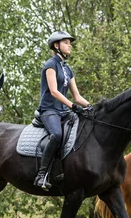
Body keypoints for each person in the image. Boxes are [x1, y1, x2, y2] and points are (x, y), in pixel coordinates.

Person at [34, 31, 93, 190]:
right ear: (56, 45)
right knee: (57, 135)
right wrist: (72, 107)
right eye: (66, 42)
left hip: (63, 111)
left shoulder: (68, 69)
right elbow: (54, 91)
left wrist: (91, 107)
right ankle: (42, 175)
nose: (70, 45)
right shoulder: (50, 65)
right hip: (49, 110)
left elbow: (77, 96)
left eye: (69, 42)